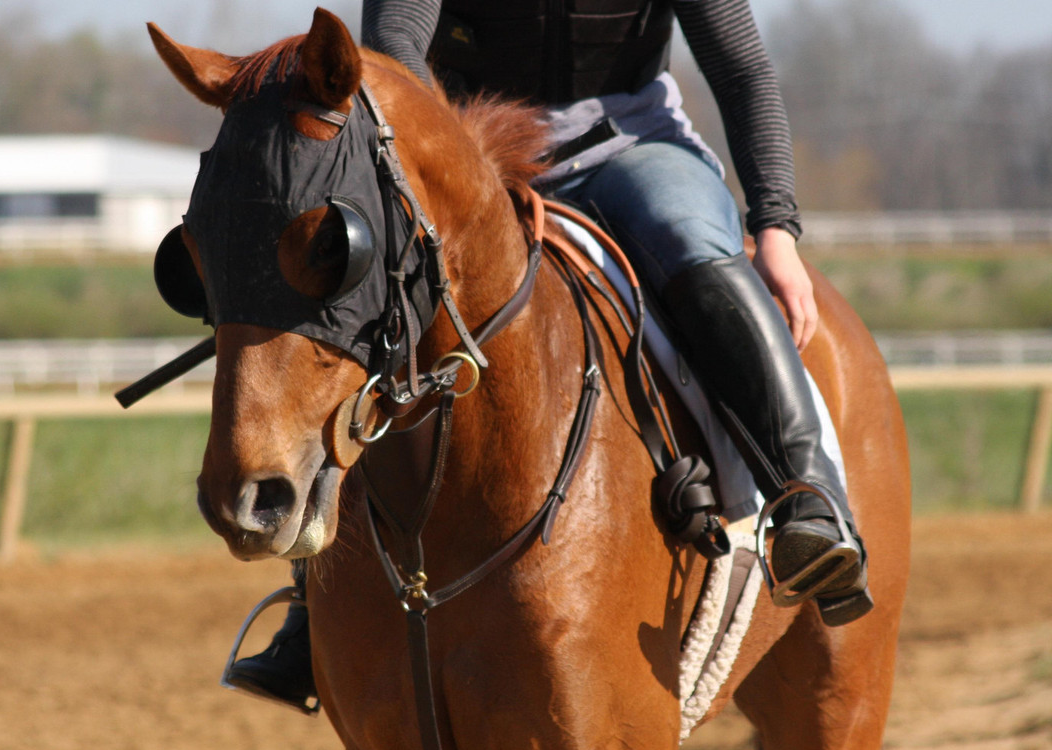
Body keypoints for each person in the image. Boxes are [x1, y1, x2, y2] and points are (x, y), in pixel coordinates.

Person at [226, 0, 872, 709]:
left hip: (629, 146)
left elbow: (742, 67)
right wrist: (438, 153)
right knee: (368, 306)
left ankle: (808, 497)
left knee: (691, 240)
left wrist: (775, 226)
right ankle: (316, 600)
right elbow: (394, 46)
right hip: (465, 152)